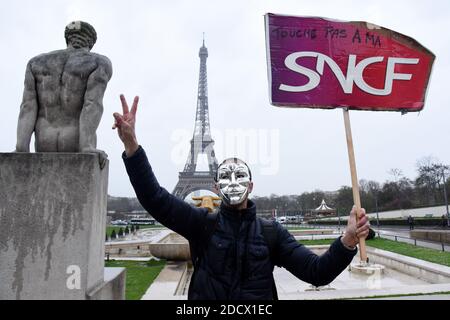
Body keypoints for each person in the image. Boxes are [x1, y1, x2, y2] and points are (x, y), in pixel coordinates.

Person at [113, 94, 370, 300]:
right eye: (225, 177)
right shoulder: (202, 223)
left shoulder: (272, 234)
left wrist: (347, 240)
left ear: (251, 185)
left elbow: (317, 272)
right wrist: (132, 147)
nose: (233, 183)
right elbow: (154, 198)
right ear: (216, 186)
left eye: (240, 177)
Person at [15, 21, 112, 168]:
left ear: (68, 39)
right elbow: (92, 104)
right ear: (90, 42)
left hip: (44, 140)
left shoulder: (35, 63)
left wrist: (21, 148)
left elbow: (27, 107)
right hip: (74, 141)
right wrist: (87, 146)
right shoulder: (98, 62)